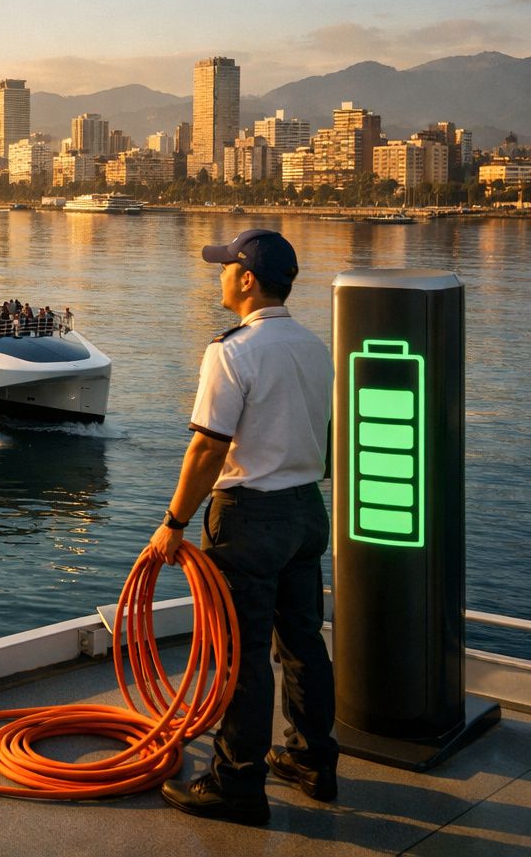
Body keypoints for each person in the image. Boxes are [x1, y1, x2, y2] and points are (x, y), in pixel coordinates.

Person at [150, 229, 337, 826]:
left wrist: (174, 523)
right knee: (304, 644)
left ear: (247, 278)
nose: (220, 276)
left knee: (241, 655)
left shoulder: (232, 351)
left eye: (226, 267)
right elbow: (322, 439)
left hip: (250, 517)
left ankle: (236, 783)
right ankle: (312, 760)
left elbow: (208, 449)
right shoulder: (313, 346)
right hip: (306, 510)